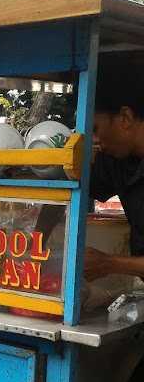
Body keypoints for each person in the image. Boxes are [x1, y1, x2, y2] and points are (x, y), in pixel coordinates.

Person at [85, 54, 144, 282]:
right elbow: (73, 188)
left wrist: (109, 263)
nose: (95, 139)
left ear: (125, 118)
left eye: (96, 129)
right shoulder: (117, 160)